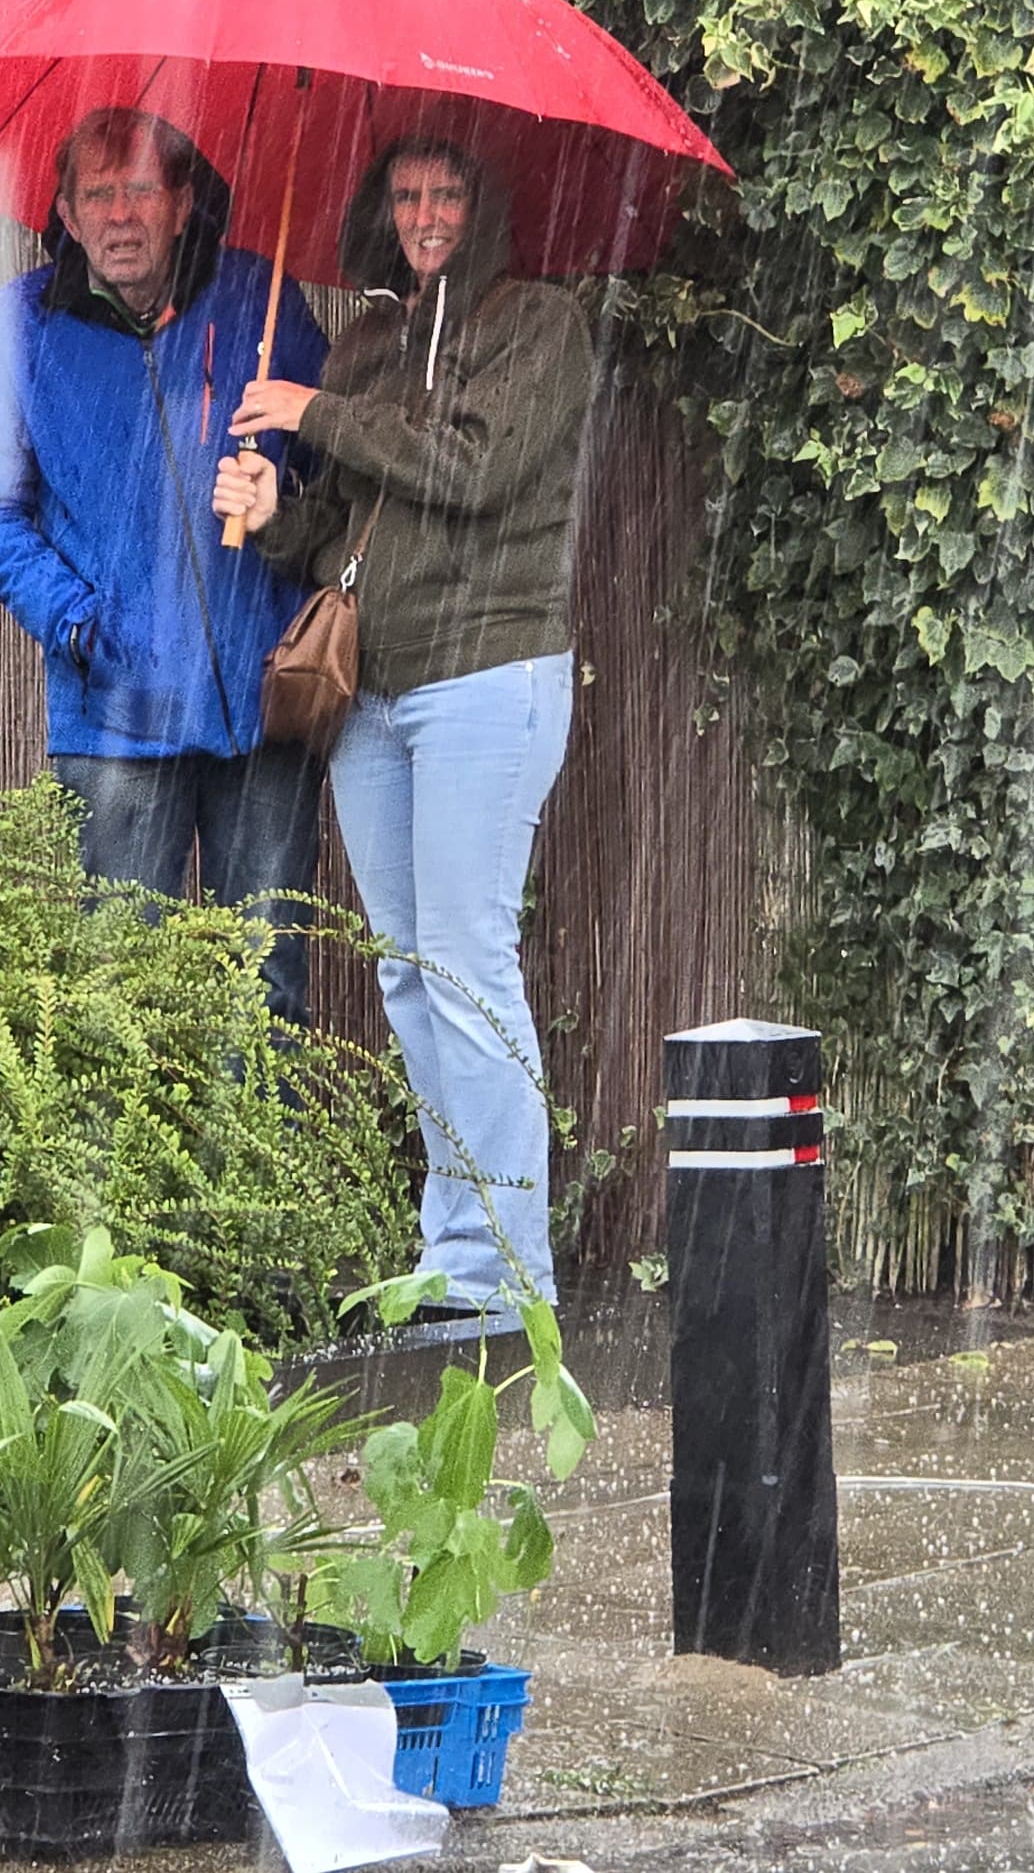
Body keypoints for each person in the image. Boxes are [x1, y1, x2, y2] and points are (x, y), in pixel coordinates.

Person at [216, 138, 592, 1309]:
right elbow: (342, 526)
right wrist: (275, 510)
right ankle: (456, 1252)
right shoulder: (376, 335)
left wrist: (316, 407)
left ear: (485, 202)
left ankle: (507, 1270)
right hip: (368, 691)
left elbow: (473, 470)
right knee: (407, 980)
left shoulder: (542, 326)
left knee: (466, 964)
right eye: (407, 193)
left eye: (448, 191)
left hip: (488, 676)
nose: (426, 213)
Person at [0, 108, 330, 1023]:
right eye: (97, 195)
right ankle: (126, 1175)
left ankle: (260, 1169)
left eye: (142, 191)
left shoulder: (258, 303)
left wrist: (282, 492)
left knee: (267, 987)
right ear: (67, 216)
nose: (121, 215)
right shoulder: (18, 329)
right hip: (116, 711)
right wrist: (77, 619)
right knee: (117, 994)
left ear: (183, 201)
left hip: (262, 702)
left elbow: (334, 476)